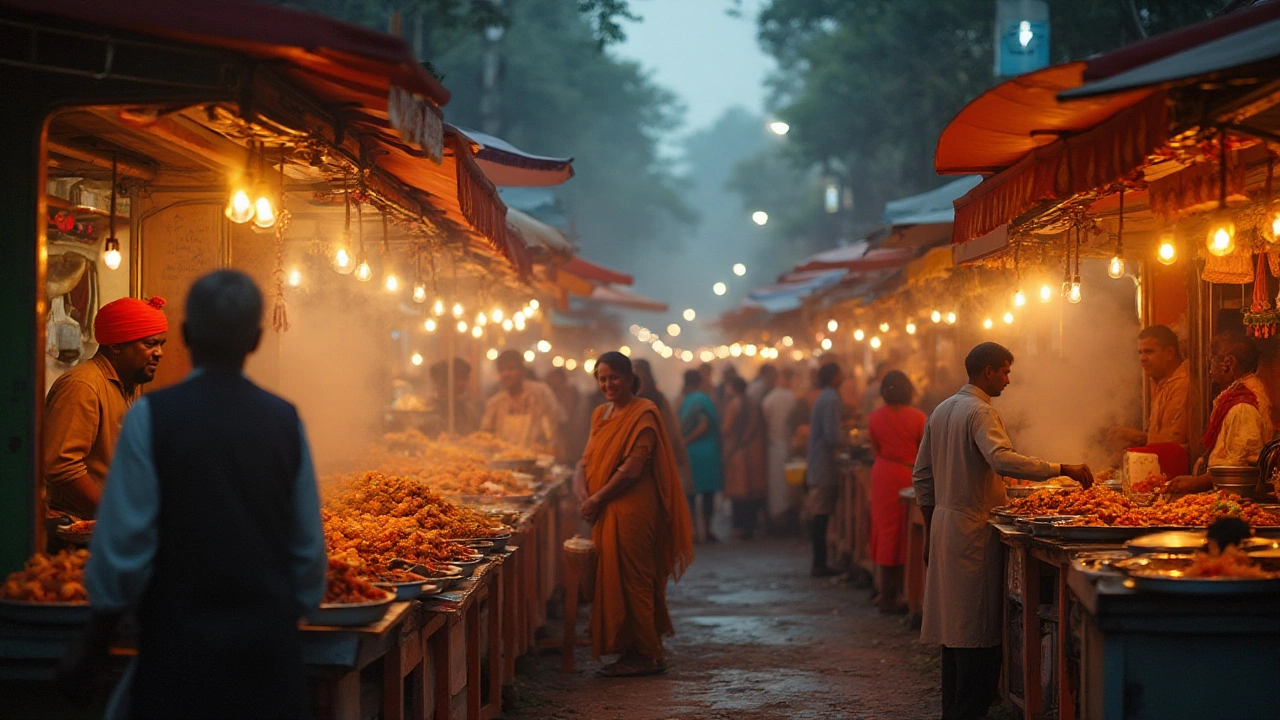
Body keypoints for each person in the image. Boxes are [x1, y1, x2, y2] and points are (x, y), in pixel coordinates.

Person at [61, 270, 326, 718]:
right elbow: (307, 553)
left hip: (177, 653)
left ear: (184, 335)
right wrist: (274, 617)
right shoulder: (286, 421)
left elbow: (124, 546)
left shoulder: (151, 416)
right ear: (257, 339)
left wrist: (93, 642)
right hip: (268, 659)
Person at [912, 342, 1092, 720]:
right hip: (972, 528)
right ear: (987, 372)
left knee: (954, 629)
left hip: (947, 525)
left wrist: (931, 530)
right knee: (975, 627)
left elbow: (922, 478)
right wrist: (1062, 468)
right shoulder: (979, 411)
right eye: (1005, 372)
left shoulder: (942, 409)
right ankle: (969, 711)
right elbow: (1002, 459)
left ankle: (954, 710)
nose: (1009, 380)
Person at [576, 351, 694, 677]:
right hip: (604, 508)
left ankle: (647, 653)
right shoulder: (601, 413)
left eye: (614, 377)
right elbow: (584, 461)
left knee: (637, 580)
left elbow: (632, 469)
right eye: (602, 378)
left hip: (635, 511)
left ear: (630, 378)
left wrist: (596, 498)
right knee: (612, 578)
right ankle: (629, 648)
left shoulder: (644, 414)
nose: (608, 384)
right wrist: (583, 493)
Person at [43, 296, 168, 521]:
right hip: (79, 531)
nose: (159, 353)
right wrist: (117, 514)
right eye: (150, 344)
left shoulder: (127, 384)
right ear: (115, 345)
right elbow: (62, 465)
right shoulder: (83, 386)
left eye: (161, 344)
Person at [1166, 333, 1274, 495]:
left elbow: (1241, 466)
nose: (1209, 367)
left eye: (1212, 359)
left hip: (1238, 499)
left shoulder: (1243, 405)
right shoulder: (1236, 395)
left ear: (1228, 362)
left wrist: (1198, 483)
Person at [867, 371, 927, 614]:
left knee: (884, 531)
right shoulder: (919, 417)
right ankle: (904, 591)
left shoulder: (875, 417)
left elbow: (874, 448)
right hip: (908, 475)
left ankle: (884, 590)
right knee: (907, 534)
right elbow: (925, 451)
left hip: (882, 473)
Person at [1108, 324, 1190, 447]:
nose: (1142, 358)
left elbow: (1173, 443)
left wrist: (1135, 436)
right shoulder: (1162, 383)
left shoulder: (1182, 384)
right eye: (1140, 352)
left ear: (1169, 353)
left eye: (1148, 352)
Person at [481, 349, 566, 450]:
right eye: (502, 370)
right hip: (504, 462)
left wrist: (554, 450)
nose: (506, 374)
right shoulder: (495, 403)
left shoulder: (541, 393)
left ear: (523, 371)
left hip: (539, 460)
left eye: (511, 368)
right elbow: (485, 436)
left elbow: (558, 423)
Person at [807, 361, 846, 577]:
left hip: (820, 462)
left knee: (821, 513)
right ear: (834, 377)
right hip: (824, 464)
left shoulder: (825, 396)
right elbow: (832, 435)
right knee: (821, 514)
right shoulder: (831, 398)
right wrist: (844, 442)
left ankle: (821, 560)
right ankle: (819, 562)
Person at [634, 360, 693, 498]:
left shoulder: (651, 398)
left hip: (649, 458)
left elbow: (670, 430)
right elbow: (672, 431)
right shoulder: (657, 397)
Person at [720, 376, 769, 539]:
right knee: (752, 493)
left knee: (739, 494)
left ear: (733, 388)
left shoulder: (733, 404)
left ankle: (740, 527)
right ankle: (751, 525)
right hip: (754, 453)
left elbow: (727, 428)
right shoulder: (754, 403)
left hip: (738, 453)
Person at [679, 370, 723, 543]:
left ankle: (696, 531)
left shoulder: (688, 400)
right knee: (707, 494)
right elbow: (707, 424)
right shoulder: (704, 399)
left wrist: (685, 441)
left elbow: (702, 424)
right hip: (708, 451)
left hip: (692, 452)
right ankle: (707, 529)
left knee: (691, 493)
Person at [761, 367, 802, 529]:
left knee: (776, 488)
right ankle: (790, 521)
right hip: (789, 447)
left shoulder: (769, 399)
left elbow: (765, 422)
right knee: (790, 487)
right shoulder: (793, 398)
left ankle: (777, 521)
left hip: (774, 447)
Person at [425, 357, 480, 436]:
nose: (462, 383)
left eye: (465, 378)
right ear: (439, 382)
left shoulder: (469, 412)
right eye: (457, 378)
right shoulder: (426, 410)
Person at [548, 367, 590, 464]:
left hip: (572, 438)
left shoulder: (570, 392)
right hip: (561, 440)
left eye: (555, 379)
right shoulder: (555, 393)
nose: (553, 382)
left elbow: (566, 416)